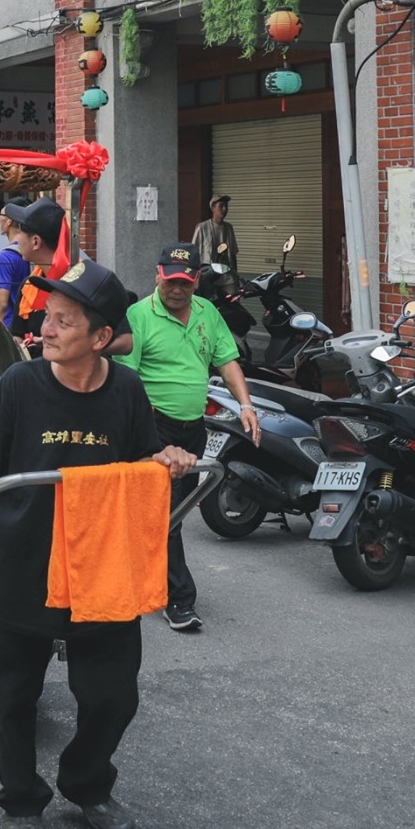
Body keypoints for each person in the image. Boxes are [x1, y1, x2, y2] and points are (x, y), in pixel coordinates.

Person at [0, 260, 195, 829]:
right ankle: (22, 800)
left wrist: (169, 458)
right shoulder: (20, 384)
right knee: (14, 695)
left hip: (100, 569)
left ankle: (87, 785)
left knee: (113, 695)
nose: (46, 330)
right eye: (47, 318)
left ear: (100, 337)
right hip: (24, 563)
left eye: (63, 321)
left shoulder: (126, 391)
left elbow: (146, 457)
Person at [120, 244, 261, 633]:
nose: (177, 289)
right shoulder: (138, 316)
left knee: (164, 514)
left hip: (193, 429)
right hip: (153, 429)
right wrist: (149, 438)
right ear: (157, 275)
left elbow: (226, 360)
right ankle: (179, 600)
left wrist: (246, 405)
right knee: (169, 516)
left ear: (196, 280)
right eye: (170, 280)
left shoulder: (207, 313)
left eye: (185, 281)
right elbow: (127, 382)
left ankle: (142, 575)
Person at [2, 197, 66, 344]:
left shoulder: (84, 280)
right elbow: (17, 333)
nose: (17, 238)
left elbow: (124, 342)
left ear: (35, 242)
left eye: (20, 231)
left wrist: (54, 341)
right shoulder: (29, 285)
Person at [0, 209, 32, 331]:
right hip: (29, 324)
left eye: (1, 215)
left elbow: (1, 304)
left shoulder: (5, 257)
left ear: (9, 221)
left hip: (10, 324)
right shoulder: (33, 251)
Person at [192, 195, 239, 275]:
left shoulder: (229, 228)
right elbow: (193, 252)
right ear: (213, 208)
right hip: (207, 274)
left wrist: (235, 274)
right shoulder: (202, 228)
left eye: (226, 206)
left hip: (226, 274)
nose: (224, 209)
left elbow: (233, 253)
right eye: (221, 206)